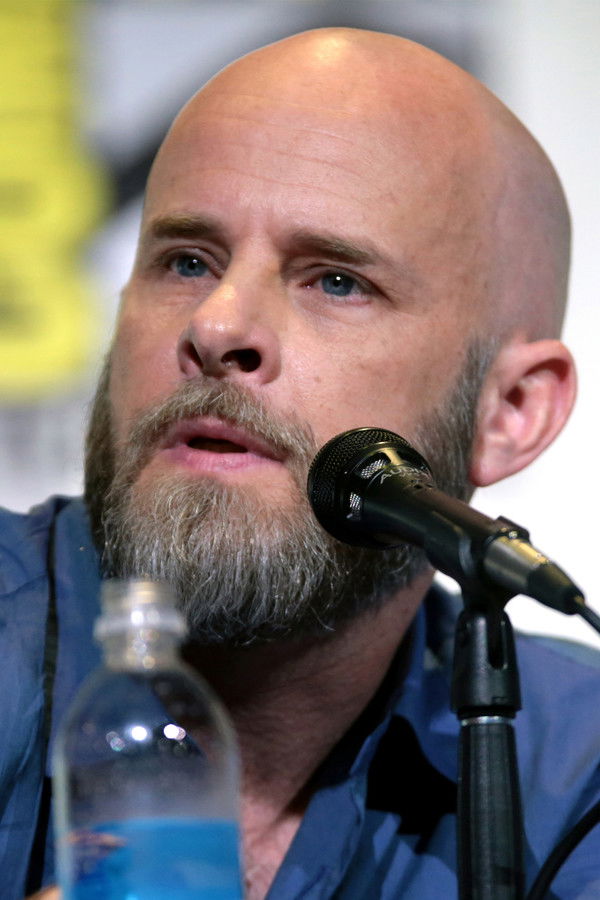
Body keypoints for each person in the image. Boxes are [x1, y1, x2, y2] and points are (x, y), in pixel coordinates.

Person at [4, 26, 599, 900]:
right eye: (187, 261)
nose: (216, 326)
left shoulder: (576, 771)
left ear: (511, 410)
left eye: (336, 281)